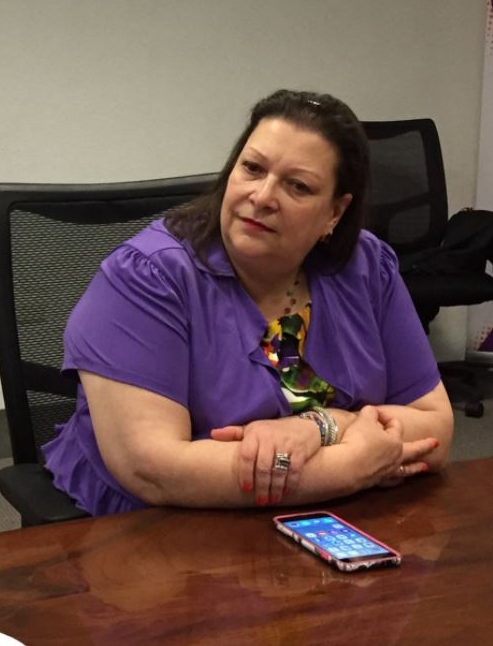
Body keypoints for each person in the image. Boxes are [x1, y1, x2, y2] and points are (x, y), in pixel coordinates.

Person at [43, 89, 453, 516]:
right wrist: (350, 466)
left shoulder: (365, 266)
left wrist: (320, 427)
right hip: (165, 532)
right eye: (253, 169)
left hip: (332, 520)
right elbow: (154, 469)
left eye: (297, 186)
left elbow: (435, 426)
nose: (262, 197)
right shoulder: (146, 277)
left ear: (335, 212)